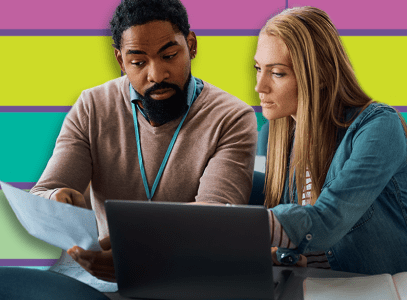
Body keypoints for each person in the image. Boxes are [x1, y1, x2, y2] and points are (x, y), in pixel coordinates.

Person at [29, 0, 257, 281]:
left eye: (170, 56)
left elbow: (216, 217)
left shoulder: (232, 117)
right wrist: (56, 199)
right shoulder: (92, 105)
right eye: (138, 62)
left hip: (185, 274)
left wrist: (136, 250)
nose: (157, 75)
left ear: (192, 45)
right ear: (120, 61)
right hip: (99, 273)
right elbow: (42, 193)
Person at [254, 6, 407, 276]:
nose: (259, 86)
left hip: (406, 291)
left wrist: (240, 226)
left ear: (320, 75)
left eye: (277, 73)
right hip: (335, 289)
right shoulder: (274, 138)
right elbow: (285, 230)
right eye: (258, 68)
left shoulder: (378, 127)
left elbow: (328, 220)